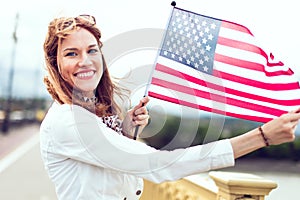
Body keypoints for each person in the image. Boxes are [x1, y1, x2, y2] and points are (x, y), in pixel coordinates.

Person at [39, 14, 300, 200]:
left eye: (92, 51)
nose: (85, 61)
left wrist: (126, 132)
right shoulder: (69, 122)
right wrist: (261, 137)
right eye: (71, 53)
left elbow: (109, 168)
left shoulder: (87, 115)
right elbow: (158, 165)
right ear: (56, 64)